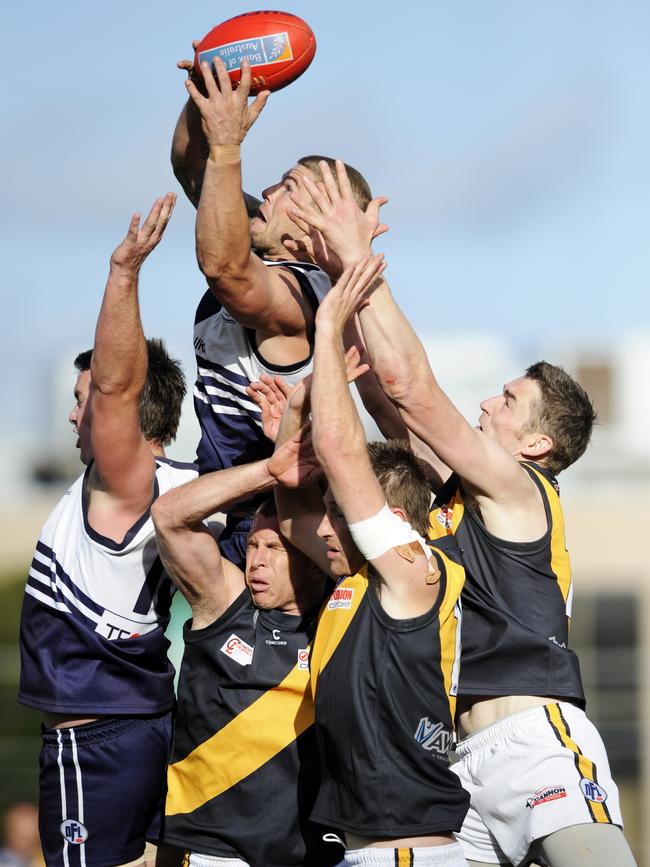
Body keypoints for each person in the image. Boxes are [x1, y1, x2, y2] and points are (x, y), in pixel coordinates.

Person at [286, 161, 637, 867]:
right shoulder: (460, 492)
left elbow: (411, 388)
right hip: (460, 762)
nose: (485, 404)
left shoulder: (519, 486)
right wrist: (338, 281)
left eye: (506, 401)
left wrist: (359, 261)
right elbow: (388, 404)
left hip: (537, 745)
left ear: (536, 442)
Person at [271, 258, 470, 867]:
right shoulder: (354, 580)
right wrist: (292, 415)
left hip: (408, 853)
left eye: (340, 512)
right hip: (368, 850)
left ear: (390, 518)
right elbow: (287, 509)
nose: (324, 526)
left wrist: (327, 328)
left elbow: (339, 450)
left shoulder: (414, 570)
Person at [18, 195, 197, 867]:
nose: (74, 417)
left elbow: (119, 390)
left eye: (81, 400)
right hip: (142, 727)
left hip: (94, 744)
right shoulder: (178, 481)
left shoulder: (123, 479)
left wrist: (124, 272)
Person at [174, 53, 383, 568]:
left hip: (278, 531)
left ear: (316, 222)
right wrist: (208, 89)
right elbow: (193, 168)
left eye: (286, 186)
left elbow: (226, 272)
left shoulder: (306, 291)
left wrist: (227, 145)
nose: (266, 190)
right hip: (234, 513)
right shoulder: (268, 248)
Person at [150, 436, 344, 867]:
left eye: (274, 548)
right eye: (253, 545)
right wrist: (272, 469)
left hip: (309, 853)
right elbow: (168, 517)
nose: (256, 560)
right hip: (209, 851)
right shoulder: (226, 604)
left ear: (316, 559)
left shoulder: (346, 616)